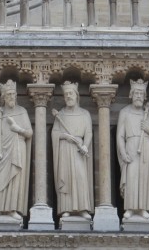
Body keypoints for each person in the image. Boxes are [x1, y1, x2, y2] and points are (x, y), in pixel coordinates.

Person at [0, 79, 32, 222]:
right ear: (3, 97)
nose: (11, 97)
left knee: (16, 178)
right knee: (0, 179)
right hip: (3, 150)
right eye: (8, 95)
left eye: (13, 94)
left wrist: (17, 129)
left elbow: (29, 133)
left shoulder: (22, 111)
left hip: (18, 148)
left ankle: (13, 208)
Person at [51, 81, 93, 220]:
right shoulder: (60, 115)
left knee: (81, 177)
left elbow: (89, 133)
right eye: (66, 94)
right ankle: (66, 208)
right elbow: (55, 133)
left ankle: (82, 208)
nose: (68, 96)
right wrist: (65, 136)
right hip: (65, 148)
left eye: (70, 93)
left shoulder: (85, 114)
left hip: (79, 150)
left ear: (76, 95)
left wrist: (85, 145)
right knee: (66, 178)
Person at [116, 79, 149, 220]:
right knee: (132, 176)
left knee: (145, 177)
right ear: (131, 95)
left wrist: (147, 129)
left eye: (141, 93)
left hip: (146, 147)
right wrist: (123, 152)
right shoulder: (124, 112)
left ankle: (143, 207)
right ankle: (131, 208)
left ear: (145, 96)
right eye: (136, 93)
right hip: (131, 145)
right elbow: (120, 135)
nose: (138, 96)